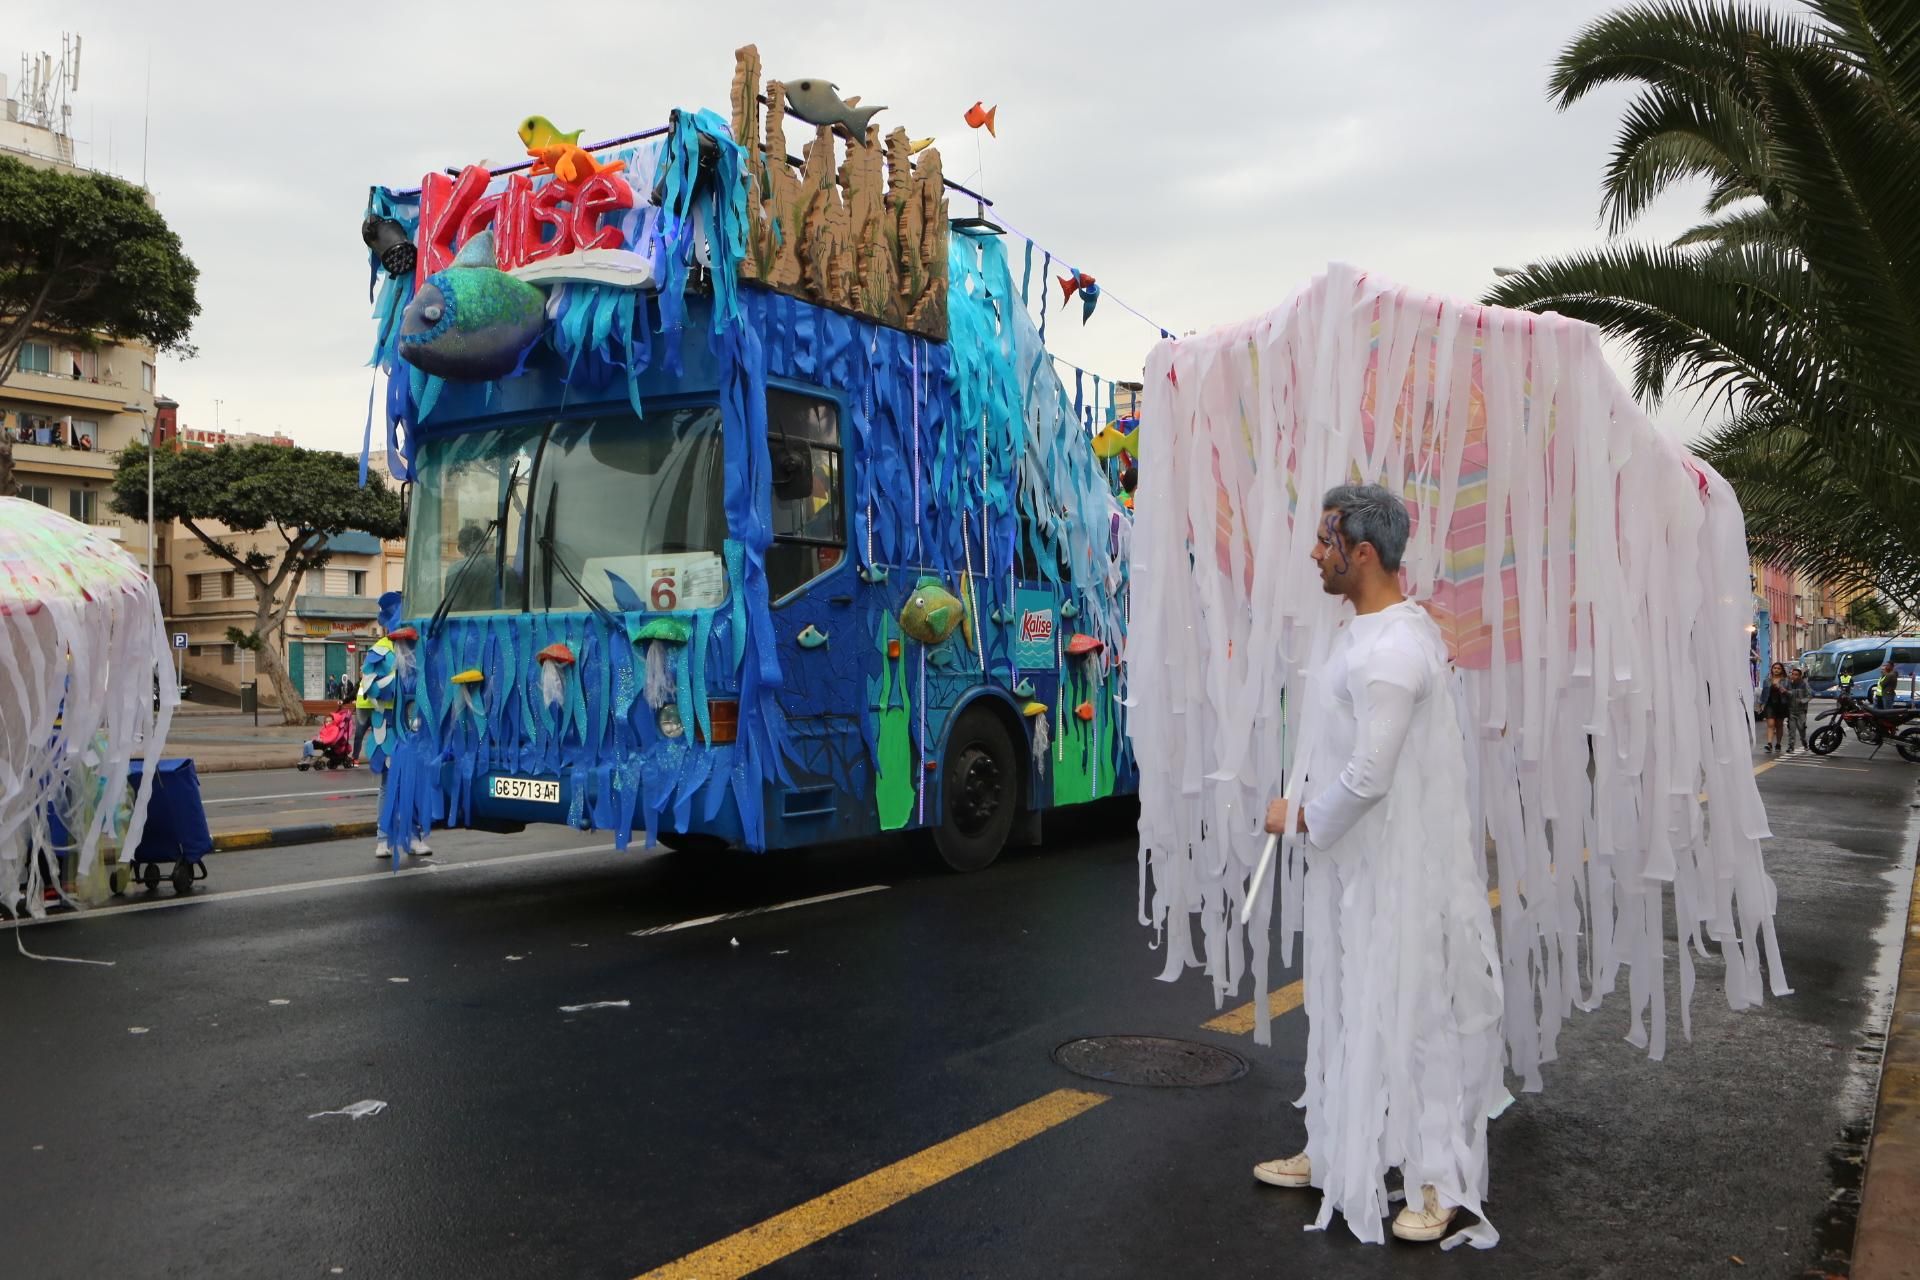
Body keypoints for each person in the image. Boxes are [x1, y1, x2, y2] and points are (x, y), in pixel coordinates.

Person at [1254, 483, 1503, 1248]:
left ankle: (1440, 1181)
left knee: (1415, 1013)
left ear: (1364, 554)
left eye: (1327, 541)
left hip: (1398, 875)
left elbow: (1370, 772)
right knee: (1341, 1003)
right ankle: (1335, 1148)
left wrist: (1297, 817)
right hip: (1352, 870)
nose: (1314, 552)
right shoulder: (1367, 633)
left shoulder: (1394, 649)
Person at [1760, 662, 1789, 753]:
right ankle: (1769, 744)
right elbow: (1764, 693)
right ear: (1772, 669)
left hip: (1782, 704)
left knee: (1779, 725)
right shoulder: (1767, 680)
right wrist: (1761, 704)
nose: (1776, 670)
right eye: (1774, 668)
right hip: (1770, 704)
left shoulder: (1786, 681)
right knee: (1771, 724)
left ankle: (1778, 744)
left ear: (1781, 670)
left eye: (1778, 668)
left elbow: (1789, 693)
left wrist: (1781, 688)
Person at [1786, 666, 1812, 754]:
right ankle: (1791, 746)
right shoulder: (1789, 684)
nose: (1793, 676)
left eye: (1796, 675)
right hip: (1791, 710)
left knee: (1801, 729)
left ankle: (1805, 743)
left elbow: (1810, 695)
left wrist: (1802, 700)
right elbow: (1788, 695)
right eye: (1792, 674)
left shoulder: (1804, 684)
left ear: (1800, 676)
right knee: (1791, 730)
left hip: (1801, 711)